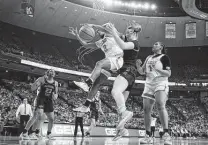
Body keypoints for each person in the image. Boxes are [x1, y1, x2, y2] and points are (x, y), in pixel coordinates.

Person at [70, 23, 124, 112]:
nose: (98, 31)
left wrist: (93, 25)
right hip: (111, 62)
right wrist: (77, 35)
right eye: (98, 30)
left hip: (117, 59)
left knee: (99, 63)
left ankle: (87, 83)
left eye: (103, 28)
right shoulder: (101, 42)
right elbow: (86, 45)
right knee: (96, 84)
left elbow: (106, 29)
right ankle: (86, 106)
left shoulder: (113, 35)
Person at [103, 21, 141, 140]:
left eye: (128, 31)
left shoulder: (135, 43)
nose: (126, 32)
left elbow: (123, 46)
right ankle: (121, 130)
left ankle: (126, 113)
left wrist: (113, 31)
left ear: (133, 32)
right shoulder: (127, 38)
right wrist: (105, 27)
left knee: (115, 92)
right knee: (121, 104)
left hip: (128, 71)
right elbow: (117, 34)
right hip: (130, 75)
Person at [136, 41, 172, 144]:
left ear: (161, 46)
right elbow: (142, 72)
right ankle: (148, 135)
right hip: (149, 84)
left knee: (160, 104)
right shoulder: (148, 58)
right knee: (146, 109)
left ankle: (166, 133)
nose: (154, 45)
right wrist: (138, 66)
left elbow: (169, 73)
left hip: (160, 82)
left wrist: (158, 70)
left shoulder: (164, 57)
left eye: (156, 44)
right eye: (154, 44)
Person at [20, 69, 58, 140]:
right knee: (38, 115)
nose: (52, 72)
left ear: (54, 74)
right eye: (50, 71)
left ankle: (48, 134)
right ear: (47, 73)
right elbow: (32, 88)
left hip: (49, 101)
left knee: (51, 118)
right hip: (41, 99)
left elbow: (56, 94)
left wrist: (55, 96)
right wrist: (36, 83)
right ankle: (28, 133)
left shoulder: (56, 83)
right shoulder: (41, 79)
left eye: (53, 71)